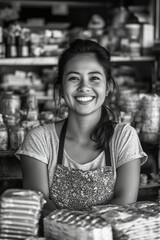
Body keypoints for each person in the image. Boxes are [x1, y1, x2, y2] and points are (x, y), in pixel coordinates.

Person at [16, 39, 147, 213]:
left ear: (107, 87)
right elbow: (40, 205)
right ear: (61, 89)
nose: (84, 87)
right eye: (73, 78)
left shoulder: (123, 136)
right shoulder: (40, 139)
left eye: (94, 78)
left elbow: (125, 204)